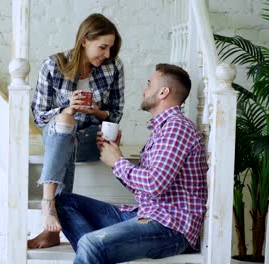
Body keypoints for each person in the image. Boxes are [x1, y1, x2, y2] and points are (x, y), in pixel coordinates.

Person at [55, 64, 208, 263]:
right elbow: (144, 188)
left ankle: (94, 252)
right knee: (63, 202)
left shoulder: (176, 128)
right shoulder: (162, 129)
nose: (144, 90)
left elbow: (154, 185)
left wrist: (118, 162)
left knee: (91, 244)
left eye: (149, 84)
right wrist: (115, 158)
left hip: (170, 227)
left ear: (163, 92)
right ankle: (96, 255)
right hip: (146, 215)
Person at [29, 13, 125, 249]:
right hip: (59, 134)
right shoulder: (52, 65)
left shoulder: (114, 67)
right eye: (102, 47)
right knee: (65, 123)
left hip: (89, 139)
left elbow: (116, 113)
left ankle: (49, 213)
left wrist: (96, 112)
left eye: (111, 48)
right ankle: (50, 204)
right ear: (84, 40)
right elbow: (39, 116)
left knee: (67, 134)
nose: (107, 55)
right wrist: (68, 109)